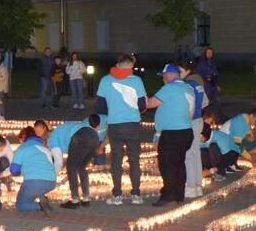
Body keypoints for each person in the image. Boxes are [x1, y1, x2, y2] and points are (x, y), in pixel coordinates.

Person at [97, 53, 147, 206]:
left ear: (117, 64)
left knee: (116, 161)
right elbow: (143, 105)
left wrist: (114, 110)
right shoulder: (136, 81)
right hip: (132, 125)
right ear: (131, 66)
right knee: (134, 160)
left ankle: (117, 195)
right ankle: (136, 194)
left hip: (115, 125)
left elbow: (99, 105)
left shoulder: (105, 80)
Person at [144, 63, 196, 206]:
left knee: (167, 164)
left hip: (172, 133)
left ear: (169, 75)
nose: (163, 79)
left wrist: (139, 99)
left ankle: (167, 195)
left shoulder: (170, 88)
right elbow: (191, 112)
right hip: (186, 131)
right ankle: (179, 195)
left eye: (164, 76)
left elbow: (150, 104)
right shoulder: (188, 88)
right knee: (179, 164)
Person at [49, 114, 103, 209]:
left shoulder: (52, 139)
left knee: (71, 168)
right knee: (81, 167)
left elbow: (58, 162)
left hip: (79, 137)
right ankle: (86, 199)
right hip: (94, 137)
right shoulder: (61, 129)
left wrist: (51, 177)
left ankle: (75, 200)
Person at [179, 61, 208, 198]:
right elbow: (205, 102)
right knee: (195, 153)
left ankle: (191, 187)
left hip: (190, 121)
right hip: (198, 120)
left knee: (188, 155)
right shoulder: (198, 85)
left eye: (180, 71)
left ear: (187, 71)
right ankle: (197, 185)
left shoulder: (186, 85)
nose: (178, 74)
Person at [9, 127, 56, 213]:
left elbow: (14, 170)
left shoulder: (23, 148)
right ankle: (42, 198)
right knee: (33, 191)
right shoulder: (44, 148)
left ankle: (40, 206)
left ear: (23, 137)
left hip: (33, 182)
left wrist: (19, 172)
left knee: (21, 205)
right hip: (51, 182)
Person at [199, 112, 239, 180]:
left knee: (213, 146)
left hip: (231, 155)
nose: (197, 137)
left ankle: (220, 171)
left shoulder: (220, 137)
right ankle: (211, 170)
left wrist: (211, 171)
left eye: (200, 135)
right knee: (200, 150)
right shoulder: (198, 138)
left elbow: (228, 157)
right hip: (215, 157)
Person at [195, 47, 222, 122]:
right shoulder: (202, 63)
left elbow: (216, 74)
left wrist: (217, 85)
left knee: (217, 101)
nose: (210, 54)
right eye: (208, 53)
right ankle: (202, 118)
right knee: (205, 103)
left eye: (211, 53)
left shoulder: (213, 63)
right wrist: (205, 78)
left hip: (213, 86)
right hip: (205, 86)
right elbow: (198, 74)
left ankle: (217, 119)